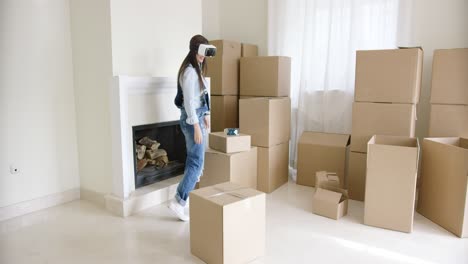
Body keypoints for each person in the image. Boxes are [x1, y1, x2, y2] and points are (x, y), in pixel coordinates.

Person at [168, 35, 212, 221]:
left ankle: (184, 195)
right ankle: (179, 201)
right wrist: (195, 126)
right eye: (201, 52)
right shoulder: (189, 72)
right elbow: (188, 102)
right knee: (196, 162)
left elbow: (200, 95)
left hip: (198, 118)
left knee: (196, 161)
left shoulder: (196, 69)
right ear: (194, 50)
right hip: (191, 120)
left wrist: (206, 116)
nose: (203, 56)